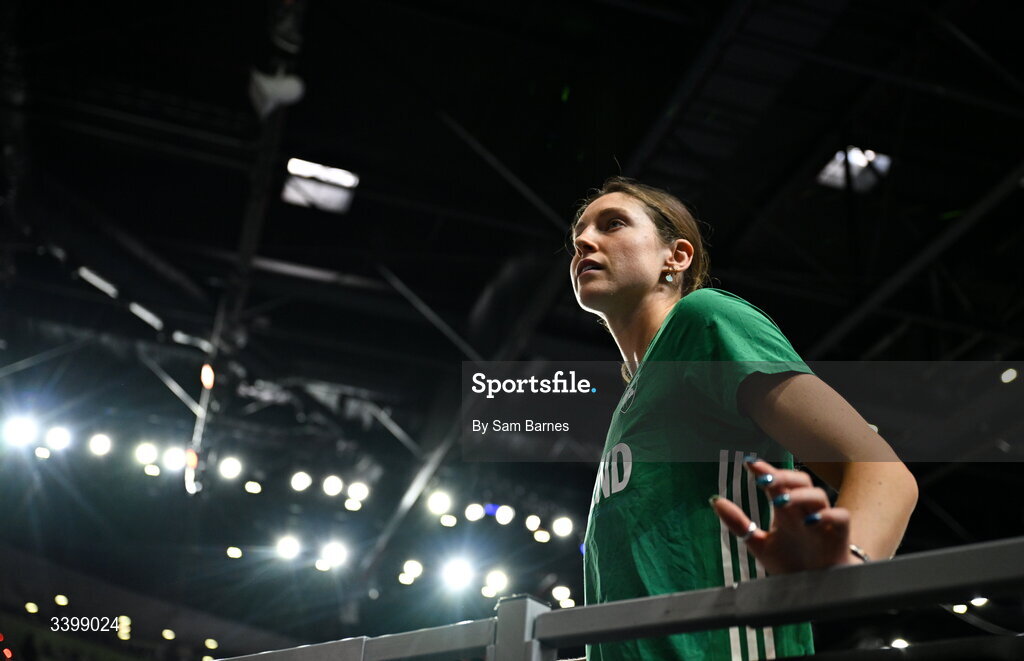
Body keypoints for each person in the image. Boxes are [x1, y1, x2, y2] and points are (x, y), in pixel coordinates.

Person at [570, 177, 918, 661]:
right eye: (578, 236)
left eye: (613, 225)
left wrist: (844, 567)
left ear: (677, 256)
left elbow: (884, 471)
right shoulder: (633, 399)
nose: (585, 241)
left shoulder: (704, 320)